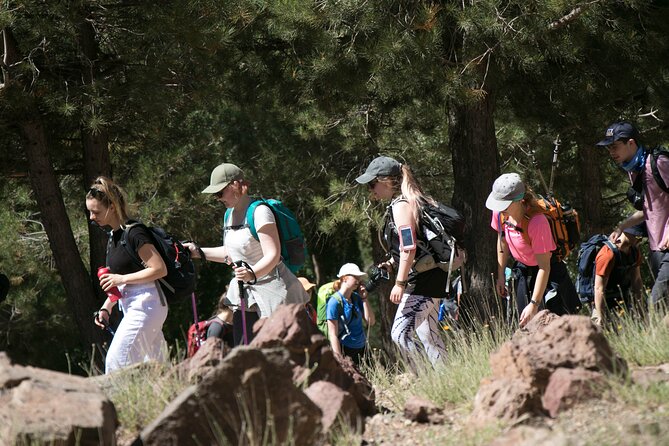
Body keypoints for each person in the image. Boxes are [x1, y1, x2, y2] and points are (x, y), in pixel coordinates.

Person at [184, 162, 309, 346]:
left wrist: (252, 273)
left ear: (236, 185)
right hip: (246, 294)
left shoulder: (260, 212)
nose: (218, 198)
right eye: (215, 195)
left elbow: (273, 254)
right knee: (247, 348)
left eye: (220, 193)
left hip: (274, 292)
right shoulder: (228, 215)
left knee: (279, 351)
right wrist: (198, 252)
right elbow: (229, 253)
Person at [356, 156, 449, 366]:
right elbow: (409, 245)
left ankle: (429, 381)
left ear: (387, 181)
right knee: (429, 335)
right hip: (432, 275)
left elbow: (409, 247)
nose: (371, 190)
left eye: (373, 184)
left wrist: (399, 283)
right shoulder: (404, 202)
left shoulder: (401, 206)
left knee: (400, 334)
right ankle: (447, 380)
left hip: (424, 280)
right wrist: (391, 261)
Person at [86, 176, 168, 374]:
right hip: (136, 306)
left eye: (95, 211)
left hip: (146, 305)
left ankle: (118, 405)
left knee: (117, 365)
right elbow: (121, 282)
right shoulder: (114, 236)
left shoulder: (134, 233)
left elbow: (159, 269)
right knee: (158, 370)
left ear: (112, 207)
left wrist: (120, 279)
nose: (91, 217)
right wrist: (106, 307)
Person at [486, 173, 580, 327]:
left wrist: (534, 304)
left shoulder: (537, 222)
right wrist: (500, 275)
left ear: (520, 200)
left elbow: (545, 267)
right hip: (524, 272)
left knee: (559, 328)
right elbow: (502, 241)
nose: (499, 208)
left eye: (504, 204)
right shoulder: (500, 214)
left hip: (549, 273)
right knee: (526, 328)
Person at [596, 122, 669, 307]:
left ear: (631, 143)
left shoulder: (659, 163)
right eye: (608, 148)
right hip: (657, 248)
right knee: (664, 306)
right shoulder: (634, 171)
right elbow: (650, 210)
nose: (611, 152)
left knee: (654, 308)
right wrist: (622, 226)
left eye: (614, 146)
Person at [591, 225, 645, 326]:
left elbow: (637, 281)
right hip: (602, 302)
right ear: (627, 233)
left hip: (623, 300)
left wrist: (641, 310)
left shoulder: (634, 252)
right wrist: (600, 317)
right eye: (638, 237)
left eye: (642, 237)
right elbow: (599, 288)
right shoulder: (607, 255)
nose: (640, 240)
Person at [325, 263, 375, 365]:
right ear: (344, 278)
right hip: (346, 350)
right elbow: (333, 334)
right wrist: (340, 360)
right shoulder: (334, 302)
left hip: (363, 348)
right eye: (355, 276)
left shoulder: (356, 297)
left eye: (359, 277)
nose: (358, 280)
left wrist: (364, 299)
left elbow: (371, 322)